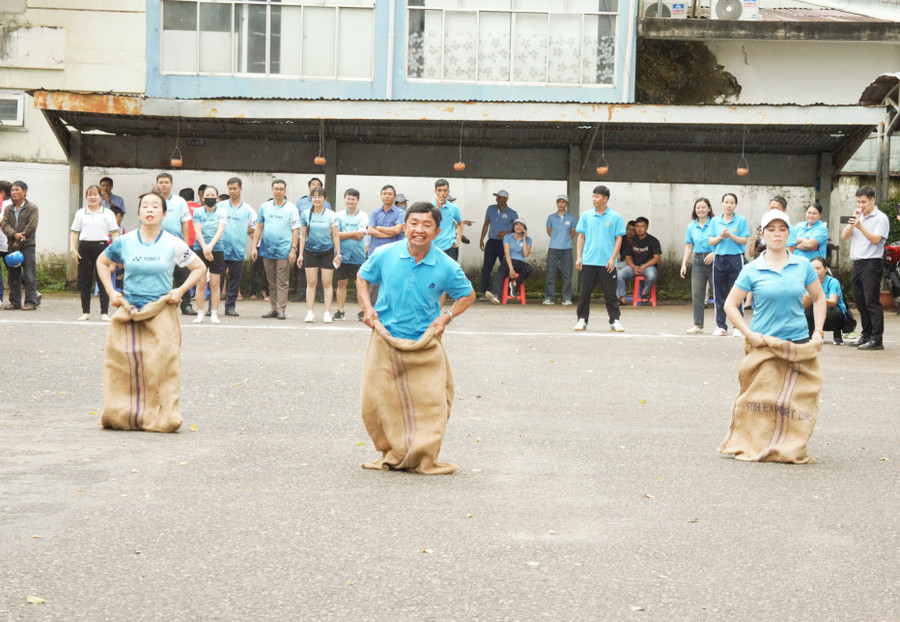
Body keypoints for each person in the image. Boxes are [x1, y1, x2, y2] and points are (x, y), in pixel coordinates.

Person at [357, 201, 475, 474]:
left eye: (426, 225)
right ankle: (393, 452)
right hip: (385, 338)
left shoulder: (446, 265)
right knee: (376, 401)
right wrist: (367, 308)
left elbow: (467, 295)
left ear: (436, 231)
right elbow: (362, 278)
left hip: (425, 343)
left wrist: (446, 317)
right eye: (414, 223)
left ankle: (422, 455)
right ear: (405, 226)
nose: (419, 230)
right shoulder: (386, 254)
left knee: (434, 402)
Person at [719, 210, 826, 464]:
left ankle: (789, 447)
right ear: (763, 235)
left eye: (782, 230)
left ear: (789, 234)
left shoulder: (802, 265)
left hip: (797, 344)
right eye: (771, 230)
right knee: (759, 400)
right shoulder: (752, 269)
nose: (776, 234)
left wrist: (818, 332)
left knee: (794, 403)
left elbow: (820, 299)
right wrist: (748, 334)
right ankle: (756, 443)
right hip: (764, 344)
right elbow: (730, 305)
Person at [96, 190, 206, 433]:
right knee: (124, 365)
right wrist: (111, 291)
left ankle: (163, 417)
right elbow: (102, 262)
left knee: (162, 366)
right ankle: (123, 415)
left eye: (155, 206)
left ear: (164, 214)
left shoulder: (173, 243)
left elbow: (199, 268)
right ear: (139, 212)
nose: (149, 210)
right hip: (130, 311)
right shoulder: (125, 241)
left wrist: (180, 290)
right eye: (145, 205)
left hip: (160, 312)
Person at [841, 185, 890, 351]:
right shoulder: (859, 217)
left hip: (872, 262)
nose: (860, 205)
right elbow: (845, 236)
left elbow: (876, 240)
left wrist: (861, 226)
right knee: (860, 302)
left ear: (872, 200)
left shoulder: (881, 218)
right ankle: (866, 335)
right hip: (858, 262)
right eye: (858, 202)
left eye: (863, 202)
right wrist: (855, 221)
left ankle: (877, 339)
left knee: (872, 302)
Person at [574, 185, 625, 332]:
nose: (593, 199)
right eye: (593, 196)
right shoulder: (586, 215)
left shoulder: (615, 217)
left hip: (607, 263)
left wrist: (613, 258)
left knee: (610, 294)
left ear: (605, 199)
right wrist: (579, 257)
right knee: (584, 293)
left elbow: (618, 239)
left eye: (597, 197)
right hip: (588, 261)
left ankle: (615, 320)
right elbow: (581, 237)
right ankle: (582, 319)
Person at [69, 184, 120, 321]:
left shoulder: (108, 213)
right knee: (85, 281)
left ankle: (104, 312)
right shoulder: (81, 213)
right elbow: (74, 232)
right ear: (86, 197)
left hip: (102, 248)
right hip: (84, 248)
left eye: (95, 194)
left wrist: (115, 252)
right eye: (89, 195)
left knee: (103, 281)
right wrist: (73, 249)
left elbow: (115, 233)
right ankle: (86, 312)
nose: (92, 197)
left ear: (100, 197)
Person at [252, 179, 299, 320]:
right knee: (270, 281)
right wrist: (254, 247)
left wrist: (293, 249)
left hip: (284, 250)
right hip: (267, 249)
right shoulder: (265, 207)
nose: (278, 191)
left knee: (282, 282)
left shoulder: (292, 208)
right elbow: (259, 227)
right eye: (276, 188)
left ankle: (281, 309)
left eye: (281, 189)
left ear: (285, 191)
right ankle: (273, 308)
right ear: (272, 190)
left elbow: (295, 230)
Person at [708, 192, 749, 337]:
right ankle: (720, 325)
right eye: (726, 202)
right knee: (719, 292)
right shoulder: (714, 221)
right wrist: (720, 236)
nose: (728, 205)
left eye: (731, 202)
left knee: (737, 292)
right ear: (721, 204)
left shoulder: (741, 220)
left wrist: (730, 235)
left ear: (735, 205)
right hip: (719, 258)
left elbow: (744, 241)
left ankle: (738, 326)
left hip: (735, 258)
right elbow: (711, 241)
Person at [298, 186, 341, 323]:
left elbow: (335, 235)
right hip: (310, 252)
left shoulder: (331, 215)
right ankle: (310, 312)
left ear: (325, 199)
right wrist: (300, 254)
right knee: (311, 283)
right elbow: (303, 234)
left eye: (319, 196)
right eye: (314, 197)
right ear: (311, 198)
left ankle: (327, 313)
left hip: (327, 252)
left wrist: (338, 253)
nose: (317, 199)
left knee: (327, 283)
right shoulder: (305, 214)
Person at [156, 173, 197, 315]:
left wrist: (185, 244)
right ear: (157, 184)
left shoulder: (180, 202)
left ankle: (186, 305)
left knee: (182, 275)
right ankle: (159, 305)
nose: (163, 185)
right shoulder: (153, 200)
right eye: (161, 182)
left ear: (171, 184)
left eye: (166, 182)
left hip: (177, 245)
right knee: (159, 275)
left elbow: (185, 223)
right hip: (157, 245)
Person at [191, 186, 228, 324]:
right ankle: (199, 314)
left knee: (215, 284)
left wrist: (210, 247)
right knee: (200, 284)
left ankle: (214, 313)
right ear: (202, 197)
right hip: (200, 249)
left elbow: (220, 230)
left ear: (217, 198)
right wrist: (205, 248)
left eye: (213, 195)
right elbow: (198, 231)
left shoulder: (222, 211)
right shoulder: (198, 212)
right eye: (207, 195)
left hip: (216, 249)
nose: (210, 197)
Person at [221, 177, 256, 317]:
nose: (232, 191)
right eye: (230, 188)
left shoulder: (247, 209)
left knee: (235, 280)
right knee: (217, 279)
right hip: (220, 249)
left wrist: (242, 230)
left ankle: (230, 307)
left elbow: (255, 226)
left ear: (241, 189)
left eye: (235, 188)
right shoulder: (221, 206)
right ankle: (212, 307)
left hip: (238, 250)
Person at [1, 181, 39, 310]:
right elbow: (5, 225)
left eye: (17, 190)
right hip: (12, 245)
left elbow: (31, 226)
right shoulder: (8, 208)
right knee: (13, 275)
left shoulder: (32, 208)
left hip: (27, 245)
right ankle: (15, 302)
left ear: (25, 191)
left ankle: (30, 302)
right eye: (12, 190)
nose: (14, 193)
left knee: (29, 275)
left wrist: (20, 239)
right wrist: (14, 235)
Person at [366, 184, 406, 306]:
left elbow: (397, 231)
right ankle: (371, 309)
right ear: (381, 196)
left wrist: (379, 228)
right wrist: (388, 233)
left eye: (390, 194)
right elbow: (370, 231)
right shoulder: (375, 212)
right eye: (384, 194)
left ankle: (389, 308)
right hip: (375, 253)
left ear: (394, 197)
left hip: (393, 253)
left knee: (391, 282)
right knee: (373, 283)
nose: (387, 196)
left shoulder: (400, 213)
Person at [293, 177, 331, 302]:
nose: (315, 186)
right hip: (304, 239)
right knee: (302, 267)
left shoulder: (327, 204)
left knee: (321, 269)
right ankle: (301, 292)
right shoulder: (301, 202)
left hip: (321, 240)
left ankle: (319, 294)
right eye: (313, 184)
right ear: (308, 187)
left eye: (318, 185)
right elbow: (297, 221)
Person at [680, 198, 715, 334]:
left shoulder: (715, 224)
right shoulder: (691, 227)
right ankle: (698, 324)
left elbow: (722, 242)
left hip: (713, 260)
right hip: (698, 260)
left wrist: (714, 253)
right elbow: (689, 246)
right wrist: (684, 264)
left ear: (709, 208)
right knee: (697, 294)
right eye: (698, 207)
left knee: (717, 294)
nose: (700, 210)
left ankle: (721, 325)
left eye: (703, 207)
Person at [334, 188, 368, 321]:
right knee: (341, 283)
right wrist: (352, 234)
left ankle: (361, 312)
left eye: (353, 199)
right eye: (348, 198)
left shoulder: (363, 215)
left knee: (359, 283)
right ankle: (340, 311)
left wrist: (344, 234)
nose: (350, 201)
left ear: (358, 201)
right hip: (342, 255)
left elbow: (360, 235)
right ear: (344, 199)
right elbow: (335, 234)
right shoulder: (338, 215)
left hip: (358, 256)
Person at [478, 190, 518, 300]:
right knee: (486, 268)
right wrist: (481, 239)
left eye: (500, 197)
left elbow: (518, 229)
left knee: (505, 268)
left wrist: (507, 233)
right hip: (491, 242)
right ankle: (485, 292)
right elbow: (486, 224)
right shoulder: (490, 209)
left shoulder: (512, 213)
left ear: (506, 199)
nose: (497, 199)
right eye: (497, 197)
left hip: (504, 243)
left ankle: (507, 293)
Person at [617, 216, 661, 305]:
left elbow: (656, 258)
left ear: (646, 227)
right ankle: (622, 297)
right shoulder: (631, 241)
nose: (639, 229)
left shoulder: (653, 241)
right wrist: (634, 267)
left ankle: (645, 292)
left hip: (648, 267)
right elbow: (628, 258)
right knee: (619, 274)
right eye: (637, 226)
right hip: (634, 266)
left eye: (642, 226)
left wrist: (643, 266)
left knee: (652, 275)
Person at [803, 257, 847, 345]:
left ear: (826, 269)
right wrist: (808, 294)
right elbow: (805, 304)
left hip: (832, 315)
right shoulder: (807, 282)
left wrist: (817, 299)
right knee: (807, 310)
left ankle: (837, 336)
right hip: (817, 314)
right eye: (812, 269)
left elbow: (833, 302)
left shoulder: (833, 282)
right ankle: (812, 335)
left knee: (836, 312)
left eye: (818, 268)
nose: (815, 271)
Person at [487, 218, 532, 303]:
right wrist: (511, 268)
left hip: (520, 262)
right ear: (513, 227)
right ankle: (496, 295)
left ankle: (514, 284)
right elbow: (507, 253)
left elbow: (526, 254)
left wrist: (524, 239)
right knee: (500, 271)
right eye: (516, 225)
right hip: (508, 261)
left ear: (524, 228)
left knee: (528, 269)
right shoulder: (508, 237)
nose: (519, 227)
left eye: (521, 225)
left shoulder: (529, 240)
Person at [544, 194, 576, 305]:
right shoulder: (551, 217)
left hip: (566, 249)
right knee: (550, 274)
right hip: (553, 248)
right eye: (559, 202)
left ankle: (567, 298)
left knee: (567, 275)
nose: (561, 204)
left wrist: (564, 240)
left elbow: (572, 233)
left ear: (566, 204)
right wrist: (557, 240)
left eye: (563, 202)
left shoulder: (571, 218)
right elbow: (549, 231)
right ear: (557, 204)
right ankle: (549, 297)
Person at [432, 179, 462, 261]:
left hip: (449, 247)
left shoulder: (453, 207)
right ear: (435, 191)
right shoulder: (429, 207)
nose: (442, 193)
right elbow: (430, 223)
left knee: (450, 272)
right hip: (433, 246)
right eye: (439, 190)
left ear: (448, 191)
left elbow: (460, 223)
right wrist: (437, 207)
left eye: (445, 190)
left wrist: (458, 239)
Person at [0, 180, 10, 307]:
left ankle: (32, 291)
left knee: (13, 270)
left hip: (7, 242)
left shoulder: (8, 204)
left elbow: (2, 221)